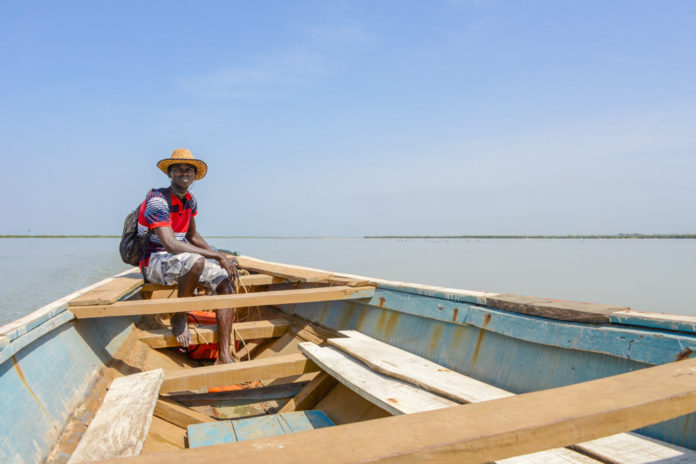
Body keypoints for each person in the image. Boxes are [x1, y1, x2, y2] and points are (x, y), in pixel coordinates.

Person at [137, 148, 238, 364]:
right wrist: (215, 255)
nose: (184, 173)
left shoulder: (190, 200)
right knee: (196, 261)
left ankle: (225, 354)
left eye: (188, 170)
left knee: (225, 278)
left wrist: (221, 257)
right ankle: (179, 314)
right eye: (178, 169)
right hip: (155, 261)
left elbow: (192, 236)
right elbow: (172, 245)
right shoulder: (158, 200)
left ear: (194, 176)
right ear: (170, 174)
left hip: (181, 259)